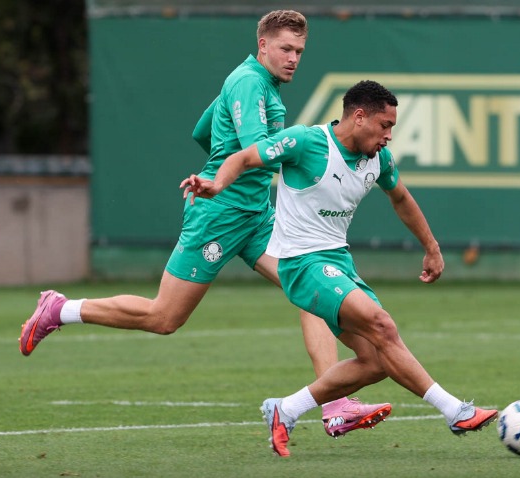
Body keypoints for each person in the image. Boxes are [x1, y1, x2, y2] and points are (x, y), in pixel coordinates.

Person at [18, 10, 391, 439]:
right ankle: (60, 309)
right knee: (164, 317)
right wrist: (291, 155)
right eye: (286, 49)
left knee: (312, 290)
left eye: (300, 51)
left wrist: (226, 157)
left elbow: (202, 130)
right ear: (263, 45)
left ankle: (336, 405)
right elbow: (255, 148)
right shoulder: (249, 82)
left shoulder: (258, 83)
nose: (293, 59)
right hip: (220, 213)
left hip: (257, 214)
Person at [183, 80, 498, 457]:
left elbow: (401, 198)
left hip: (339, 264)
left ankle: (287, 408)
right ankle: (456, 412)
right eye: (385, 125)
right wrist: (216, 184)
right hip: (302, 264)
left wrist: (432, 248)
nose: (389, 136)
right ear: (359, 116)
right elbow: (245, 157)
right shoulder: (305, 142)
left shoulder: (379, 159)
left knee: (377, 361)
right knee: (383, 325)